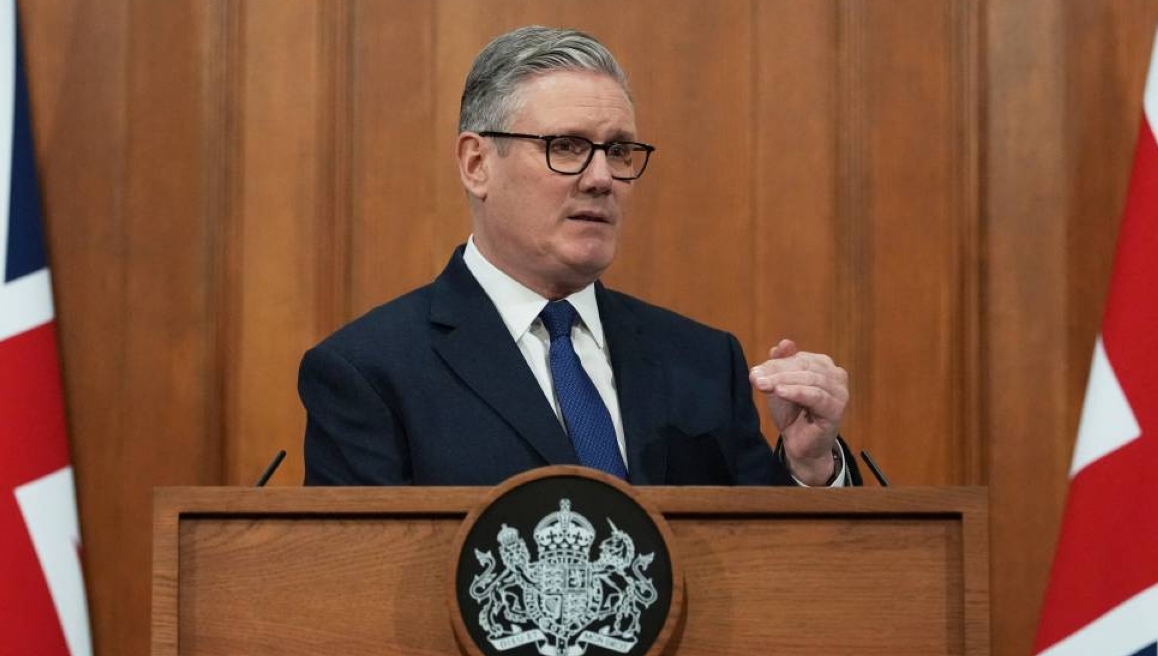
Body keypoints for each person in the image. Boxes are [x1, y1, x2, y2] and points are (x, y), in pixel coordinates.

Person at [300, 26, 859, 488]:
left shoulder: (706, 363)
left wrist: (810, 468)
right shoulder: (369, 372)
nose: (601, 179)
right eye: (565, 147)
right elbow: (356, 592)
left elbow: (772, 565)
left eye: (619, 151)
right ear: (477, 163)